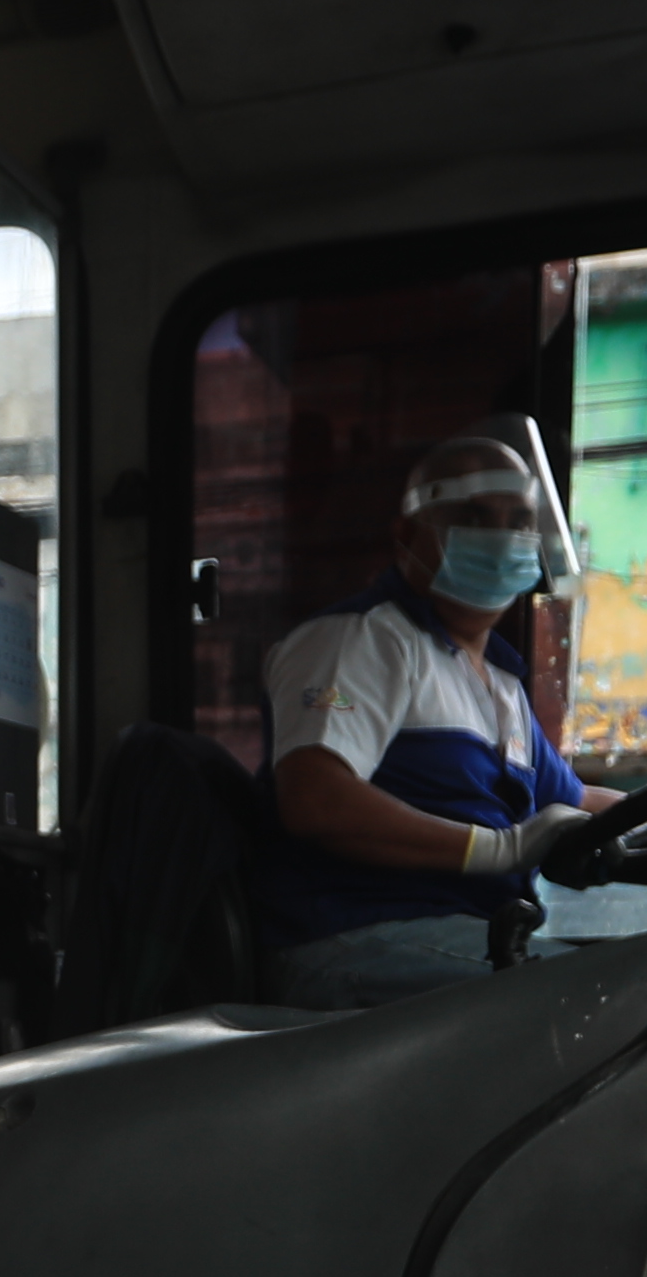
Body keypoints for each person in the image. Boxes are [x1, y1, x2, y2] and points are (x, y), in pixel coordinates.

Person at [247, 425, 619, 1006]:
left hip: (469, 932)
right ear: (408, 537)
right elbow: (315, 798)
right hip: (354, 936)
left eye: (518, 522)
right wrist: (499, 849)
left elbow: (572, 803)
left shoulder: (498, 678)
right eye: (473, 518)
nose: (501, 538)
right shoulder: (362, 642)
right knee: (598, 1000)